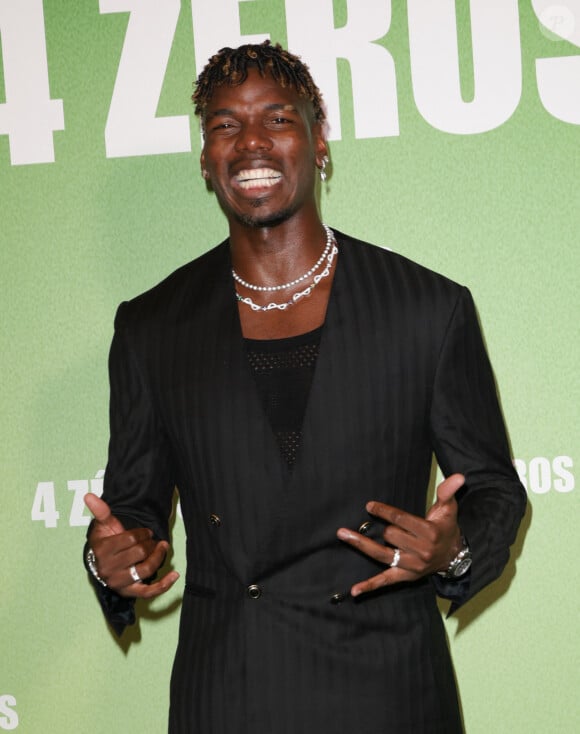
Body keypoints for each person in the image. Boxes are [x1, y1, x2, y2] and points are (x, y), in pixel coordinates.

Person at [84, 41, 526, 733]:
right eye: (225, 125)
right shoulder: (152, 326)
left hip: (390, 696)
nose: (250, 142)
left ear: (319, 140)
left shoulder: (425, 309)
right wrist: (112, 555)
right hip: (228, 696)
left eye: (277, 119)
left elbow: (495, 491)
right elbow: (134, 509)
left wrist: (454, 548)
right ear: (205, 160)